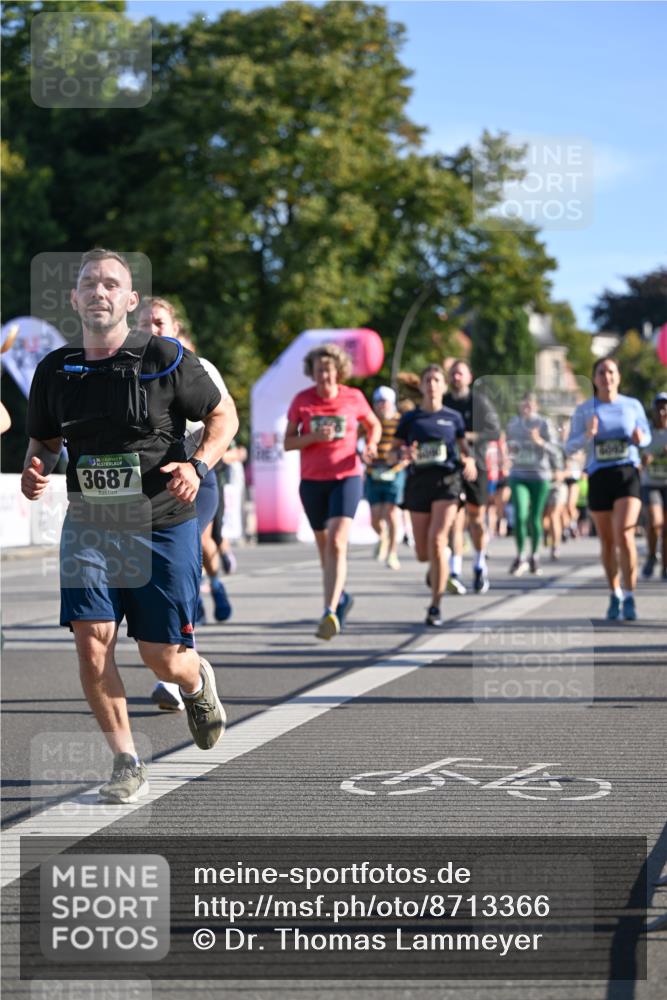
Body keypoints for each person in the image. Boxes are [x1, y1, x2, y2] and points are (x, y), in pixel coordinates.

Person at [21, 249, 239, 801]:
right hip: (91, 523)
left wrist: (198, 465)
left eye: (111, 284)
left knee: (159, 656)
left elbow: (223, 416)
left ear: (130, 300)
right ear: (74, 299)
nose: (99, 291)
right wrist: (36, 465)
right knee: (92, 642)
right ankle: (125, 759)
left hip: (163, 520)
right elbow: (45, 440)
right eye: (89, 283)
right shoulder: (55, 369)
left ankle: (196, 680)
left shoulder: (164, 358)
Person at [134, 296, 234, 712]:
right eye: (143, 325)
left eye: (158, 323)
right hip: (146, 489)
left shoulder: (198, 368)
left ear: (174, 326)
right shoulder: (125, 370)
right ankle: (176, 668)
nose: (151, 331)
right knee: (155, 582)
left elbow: (223, 422)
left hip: (197, 478)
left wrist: (195, 464)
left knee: (188, 556)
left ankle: (178, 678)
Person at [284, 343, 381, 639]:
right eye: (318, 370)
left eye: (328, 369)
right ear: (311, 373)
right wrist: (312, 436)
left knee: (338, 543)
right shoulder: (303, 400)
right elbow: (288, 443)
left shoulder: (354, 397)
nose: (324, 375)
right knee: (325, 548)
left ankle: (329, 610)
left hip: (346, 477)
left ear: (338, 371)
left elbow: (373, 424)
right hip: (313, 481)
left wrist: (372, 445)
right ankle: (342, 596)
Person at [566, 357, 651, 620]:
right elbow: (569, 447)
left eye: (611, 371)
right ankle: (614, 592)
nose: (607, 376)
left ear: (618, 377)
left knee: (624, 534)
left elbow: (646, 436)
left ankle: (630, 595)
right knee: (607, 541)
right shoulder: (584, 409)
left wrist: (640, 438)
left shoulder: (631, 405)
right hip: (599, 475)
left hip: (626, 472)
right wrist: (588, 435)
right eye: (601, 372)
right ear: (594, 378)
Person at [394, 364, 476, 627]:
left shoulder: (453, 418)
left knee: (438, 539)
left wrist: (470, 462)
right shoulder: (410, 419)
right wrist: (403, 455)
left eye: (436, 379)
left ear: (443, 386)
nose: (431, 384)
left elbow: (464, 450)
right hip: (419, 483)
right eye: (427, 379)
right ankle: (435, 567)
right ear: (421, 386)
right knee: (422, 552)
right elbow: (393, 452)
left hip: (447, 483)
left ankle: (435, 605)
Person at [443, 360, 500, 593]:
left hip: (476, 465)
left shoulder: (478, 402)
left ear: (469, 377)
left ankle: (479, 564)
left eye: (460, 373)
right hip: (450, 467)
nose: (456, 377)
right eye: (453, 373)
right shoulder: (443, 402)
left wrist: (467, 437)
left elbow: (495, 431)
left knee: (476, 519)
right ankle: (454, 571)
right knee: (454, 521)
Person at [506, 392, 559, 576]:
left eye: (530, 404)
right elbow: (507, 447)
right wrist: (510, 450)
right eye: (524, 404)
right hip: (518, 474)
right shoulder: (513, 423)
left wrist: (540, 442)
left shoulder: (544, 423)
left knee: (535, 518)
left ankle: (534, 556)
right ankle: (520, 556)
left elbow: (555, 450)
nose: (526, 407)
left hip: (539, 475)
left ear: (536, 406)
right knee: (520, 514)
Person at [364, 386, 407, 570]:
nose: (382, 405)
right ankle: (383, 538)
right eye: (378, 401)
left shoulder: (400, 421)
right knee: (375, 517)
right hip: (373, 472)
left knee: (391, 512)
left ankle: (392, 553)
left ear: (392, 402)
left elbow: (407, 445)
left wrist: (401, 462)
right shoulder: (369, 422)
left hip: (395, 471)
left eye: (385, 401)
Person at [640, 391, 667, 580]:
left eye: (665, 406)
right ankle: (651, 555)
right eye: (659, 406)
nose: (662, 410)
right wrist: (644, 459)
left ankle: (665, 566)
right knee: (655, 522)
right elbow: (635, 456)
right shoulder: (645, 431)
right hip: (650, 483)